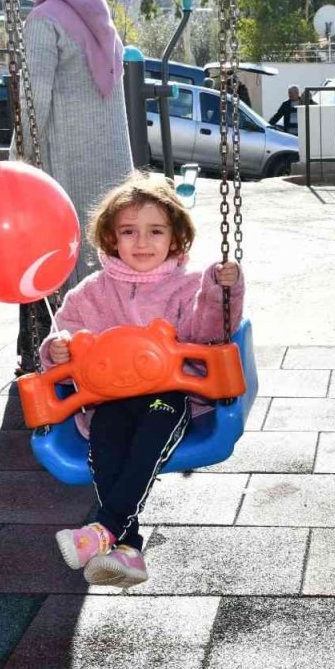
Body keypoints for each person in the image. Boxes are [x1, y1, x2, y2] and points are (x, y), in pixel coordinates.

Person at [44, 172, 244, 587]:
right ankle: (127, 549)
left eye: (155, 231)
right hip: (109, 399)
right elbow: (61, 337)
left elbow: (208, 334)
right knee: (106, 443)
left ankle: (104, 530)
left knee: (150, 433)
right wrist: (56, 349)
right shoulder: (90, 292)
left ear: (175, 239)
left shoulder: (188, 287)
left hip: (170, 394)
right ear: (111, 238)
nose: (142, 242)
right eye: (129, 232)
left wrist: (219, 291)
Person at [13, 0, 134, 373]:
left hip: (66, 161)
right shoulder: (101, 23)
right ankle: (116, 340)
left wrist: (18, 161)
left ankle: (62, 352)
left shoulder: (45, 22)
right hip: (113, 165)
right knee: (108, 247)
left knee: (57, 252)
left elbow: (34, 103)